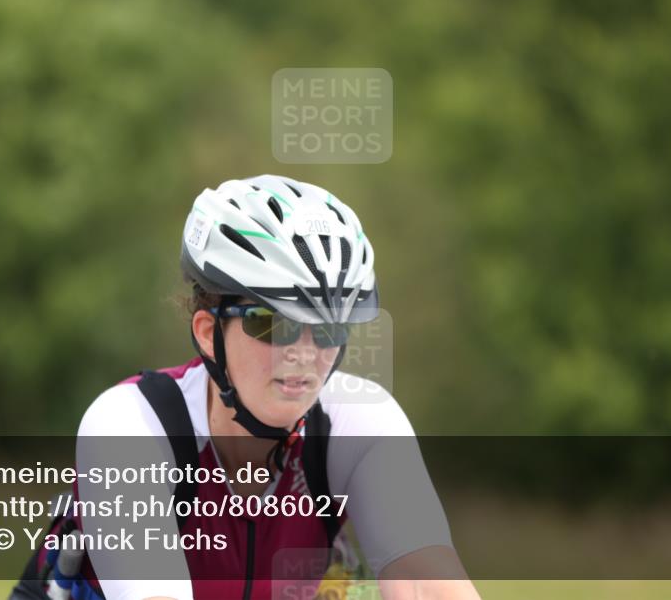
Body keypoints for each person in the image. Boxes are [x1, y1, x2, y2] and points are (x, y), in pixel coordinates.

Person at [70, 175, 482, 600]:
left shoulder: (358, 419)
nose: (304, 353)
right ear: (209, 333)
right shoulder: (130, 425)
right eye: (272, 324)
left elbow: (424, 582)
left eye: (328, 328)